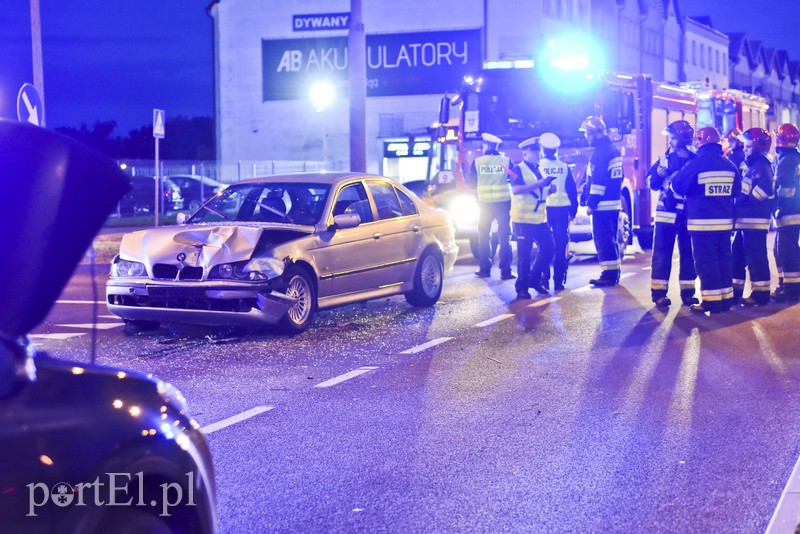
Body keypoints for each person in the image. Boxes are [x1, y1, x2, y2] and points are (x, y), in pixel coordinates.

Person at [671, 127, 741, 314]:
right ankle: (726, 299)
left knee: (706, 261)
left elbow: (676, 185)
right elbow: (736, 191)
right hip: (725, 223)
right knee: (724, 259)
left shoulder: (697, 164)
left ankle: (711, 301)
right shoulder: (729, 165)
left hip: (702, 223)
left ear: (699, 143)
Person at [646, 120, 698, 308]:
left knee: (688, 254)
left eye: (673, 138)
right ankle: (659, 294)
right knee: (661, 253)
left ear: (683, 139)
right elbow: (650, 182)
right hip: (666, 214)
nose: (670, 141)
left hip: (687, 214)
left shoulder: (696, 158)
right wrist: (658, 175)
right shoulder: (665, 158)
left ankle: (688, 293)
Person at [732, 128, 775, 306]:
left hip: (754, 221)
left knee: (755, 258)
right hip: (745, 220)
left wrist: (744, 201)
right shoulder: (753, 165)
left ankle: (761, 294)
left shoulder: (762, 167)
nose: (745, 149)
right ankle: (735, 292)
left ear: (757, 146)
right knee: (737, 255)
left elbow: (763, 191)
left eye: (748, 145)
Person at [579, 116, 624, 286]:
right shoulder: (613, 150)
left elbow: (598, 182)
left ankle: (608, 275)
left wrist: (591, 203)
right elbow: (618, 178)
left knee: (604, 240)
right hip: (613, 204)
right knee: (611, 239)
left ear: (593, 134)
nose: (585, 137)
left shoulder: (599, 154)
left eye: (586, 133)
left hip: (602, 206)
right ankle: (614, 273)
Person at [509, 137, 555, 298]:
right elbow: (516, 190)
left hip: (539, 218)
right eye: (534, 151)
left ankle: (534, 278)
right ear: (525, 153)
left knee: (549, 249)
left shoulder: (538, 169)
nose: (538, 154)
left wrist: (550, 190)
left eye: (538, 151)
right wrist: (541, 184)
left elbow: (537, 191)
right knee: (524, 255)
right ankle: (521, 288)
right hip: (522, 219)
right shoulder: (517, 168)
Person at [469, 133, 514, 279]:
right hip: (503, 204)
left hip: (485, 205)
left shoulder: (477, 162)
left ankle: (484, 268)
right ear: (496, 147)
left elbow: (471, 184)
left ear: (485, 146)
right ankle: (505, 271)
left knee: (483, 236)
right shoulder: (506, 161)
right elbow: (514, 179)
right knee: (504, 238)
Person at [539, 132, 578, 291]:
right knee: (561, 246)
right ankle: (559, 281)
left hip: (544, 210)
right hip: (562, 211)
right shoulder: (564, 167)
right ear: (556, 150)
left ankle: (544, 279)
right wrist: (573, 212)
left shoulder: (539, 166)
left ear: (541, 149)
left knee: (544, 246)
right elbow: (572, 190)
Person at [772, 123, 800, 302]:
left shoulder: (785, 162)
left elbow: (784, 189)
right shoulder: (795, 158)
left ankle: (791, 288)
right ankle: (785, 283)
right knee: (780, 249)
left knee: (786, 250)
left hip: (788, 213)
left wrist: (779, 207)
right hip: (793, 211)